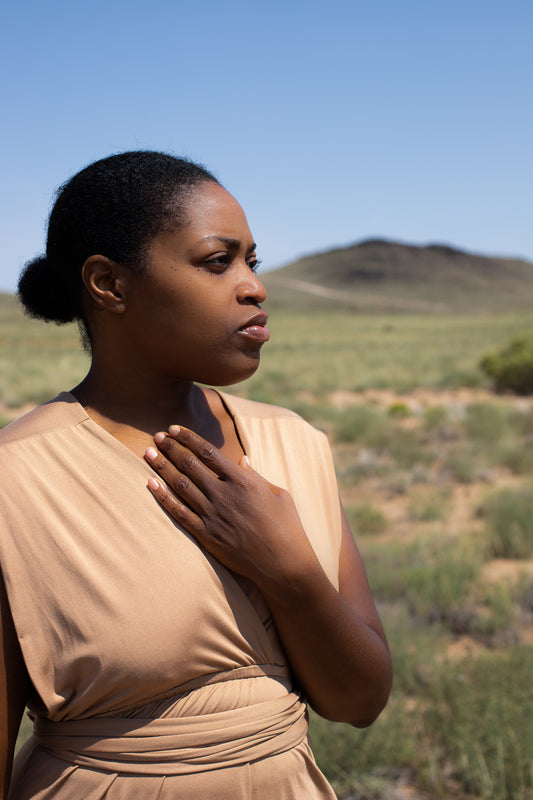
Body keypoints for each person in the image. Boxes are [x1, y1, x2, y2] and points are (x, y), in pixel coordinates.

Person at [0, 151, 392, 799]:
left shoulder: (294, 443)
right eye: (218, 262)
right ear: (109, 286)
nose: (254, 286)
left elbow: (359, 701)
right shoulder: (18, 480)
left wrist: (287, 569)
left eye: (252, 262)